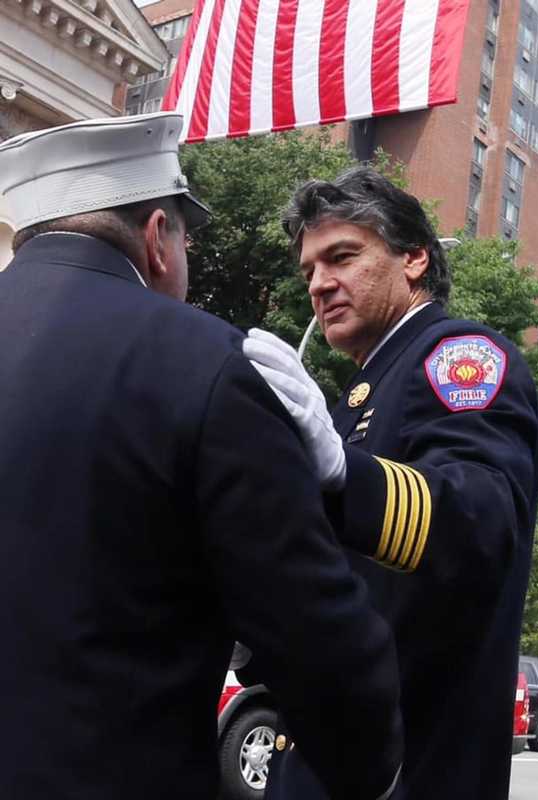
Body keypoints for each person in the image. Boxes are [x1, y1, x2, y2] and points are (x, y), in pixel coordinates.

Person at [0, 117, 404, 800]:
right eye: (189, 238)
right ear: (159, 237)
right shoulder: (204, 365)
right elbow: (318, 642)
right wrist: (370, 762)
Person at [243, 167, 538, 800]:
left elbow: (483, 523)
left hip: (413, 769)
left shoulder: (456, 355)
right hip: (337, 756)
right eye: (309, 272)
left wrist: (342, 472)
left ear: (414, 259)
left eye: (342, 257)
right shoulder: (364, 389)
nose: (321, 284)